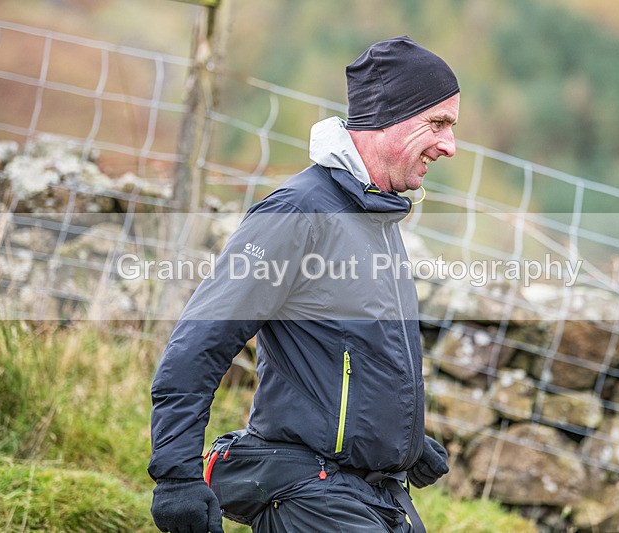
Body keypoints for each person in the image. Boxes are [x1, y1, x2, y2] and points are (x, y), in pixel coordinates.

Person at [149, 35, 460, 533]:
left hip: (374, 493)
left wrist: (399, 437)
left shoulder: (376, 216)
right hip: (311, 494)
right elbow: (199, 343)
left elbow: (347, 348)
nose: (449, 145)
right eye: (438, 124)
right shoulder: (299, 212)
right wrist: (176, 477)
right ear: (386, 118)